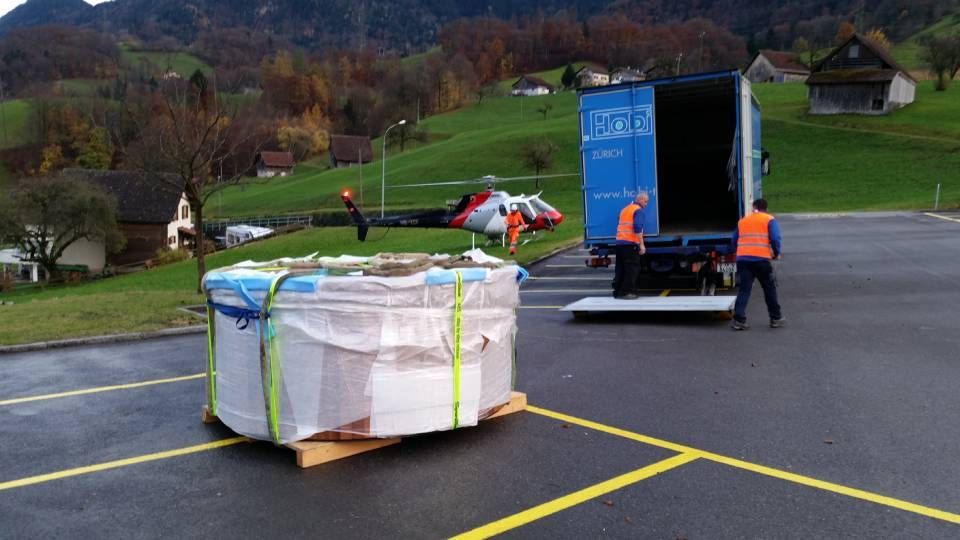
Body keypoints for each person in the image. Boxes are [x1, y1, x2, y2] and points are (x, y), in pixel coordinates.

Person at [731, 198, 784, 330]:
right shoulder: (769, 219)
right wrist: (776, 253)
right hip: (761, 260)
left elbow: (733, 240)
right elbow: (775, 238)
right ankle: (775, 318)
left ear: (754, 207)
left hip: (743, 260)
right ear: (766, 208)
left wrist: (738, 252)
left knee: (744, 289)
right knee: (769, 288)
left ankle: (739, 320)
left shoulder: (743, 221)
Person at [613, 193, 648, 299]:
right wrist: (642, 245)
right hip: (630, 244)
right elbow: (637, 228)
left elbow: (619, 223)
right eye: (646, 201)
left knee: (620, 268)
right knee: (632, 268)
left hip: (619, 243)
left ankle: (618, 292)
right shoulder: (638, 210)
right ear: (641, 199)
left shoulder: (625, 209)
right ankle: (628, 292)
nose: (646, 204)